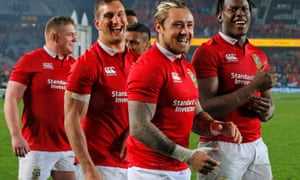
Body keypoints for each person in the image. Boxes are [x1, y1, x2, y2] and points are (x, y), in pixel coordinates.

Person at [126, 1, 242, 179]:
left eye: (189, 25)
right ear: (159, 27)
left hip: (179, 170)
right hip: (149, 172)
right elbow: (139, 127)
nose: (185, 32)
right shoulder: (149, 67)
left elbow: (194, 114)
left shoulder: (187, 67)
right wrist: (187, 156)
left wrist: (215, 126)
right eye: (177, 25)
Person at [191, 0, 278, 179]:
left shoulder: (258, 55)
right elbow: (204, 106)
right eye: (233, 9)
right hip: (221, 145)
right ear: (220, 16)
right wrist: (252, 87)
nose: (240, 13)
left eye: (245, 9)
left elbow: (269, 106)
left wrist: (267, 110)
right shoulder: (207, 52)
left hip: (256, 145)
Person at [64, 0, 139, 180]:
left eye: (120, 14)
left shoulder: (138, 61)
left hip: (134, 164)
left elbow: (148, 108)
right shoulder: (87, 64)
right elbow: (71, 118)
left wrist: (132, 131)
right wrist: (88, 168)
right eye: (108, 16)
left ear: (126, 20)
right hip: (99, 165)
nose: (116, 20)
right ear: (97, 24)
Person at [4, 16, 77, 180]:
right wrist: (16, 135)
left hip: (66, 147)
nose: (75, 39)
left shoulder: (75, 65)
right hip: (37, 149)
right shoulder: (30, 61)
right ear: (54, 37)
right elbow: (11, 99)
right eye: (70, 35)